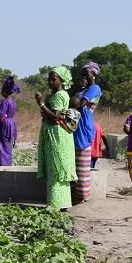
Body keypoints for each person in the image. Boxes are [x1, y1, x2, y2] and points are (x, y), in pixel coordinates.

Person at [35, 66, 77, 210]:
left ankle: (56, 203)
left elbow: (55, 117)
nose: (50, 82)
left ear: (62, 80)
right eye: (50, 79)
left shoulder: (60, 95)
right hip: (55, 134)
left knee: (56, 168)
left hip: (57, 135)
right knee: (56, 169)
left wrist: (40, 103)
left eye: (54, 79)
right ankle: (61, 202)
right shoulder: (55, 95)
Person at [73, 62, 103, 203]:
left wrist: (78, 90)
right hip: (77, 125)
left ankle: (82, 196)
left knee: (82, 165)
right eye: (82, 74)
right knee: (75, 163)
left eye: (86, 74)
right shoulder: (84, 89)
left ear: (93, 74)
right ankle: (75, 194)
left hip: (83, 126)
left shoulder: (94, 88)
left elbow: (79, 104)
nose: (84, 77)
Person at [0, 77, 20, 166]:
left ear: (5, 91)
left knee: (2, 146)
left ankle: (3, 167)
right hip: (11, 125)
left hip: (3, 125)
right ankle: (8, 165)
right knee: (8, 146)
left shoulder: (4, 102)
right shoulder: (13, 102)